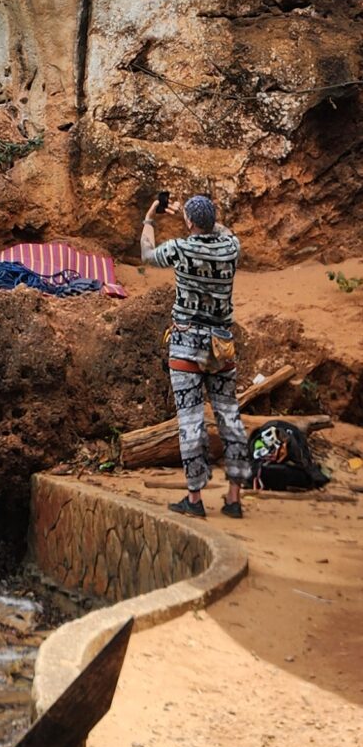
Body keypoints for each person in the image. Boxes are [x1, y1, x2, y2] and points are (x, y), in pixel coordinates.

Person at [140, 190, 251, 519]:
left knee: (190, 420)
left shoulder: (180, 248)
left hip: (186, 344)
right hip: (221, 345)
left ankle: (194, 498)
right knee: (229, 416)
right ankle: (234, 498)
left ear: (189, 222)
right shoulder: (231, 247)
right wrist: (198, 218)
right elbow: (224, 231)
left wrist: (150, 217)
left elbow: (147, 254)